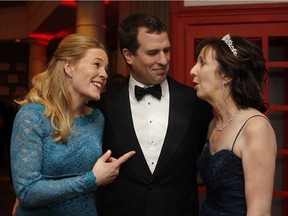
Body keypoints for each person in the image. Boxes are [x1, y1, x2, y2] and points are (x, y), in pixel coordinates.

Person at [96, 13, 212, 216]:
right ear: (128, 55)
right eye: (152, 53)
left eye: (166, 50)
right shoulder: (102, 105)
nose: (163, 60)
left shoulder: (196, 102)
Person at [10, 33, 135, 216]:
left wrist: (106, 168)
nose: (104, 74)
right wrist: (92, 179)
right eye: (96, 64)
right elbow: (27, 192)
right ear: (69, 67)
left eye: (106, 68)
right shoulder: (33, 116)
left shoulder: (97, 118)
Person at [190, 34, 277, 215]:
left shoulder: (255, 127)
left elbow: (259, 212)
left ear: (227, 75)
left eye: (202, 63)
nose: (193, 70)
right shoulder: (213, 124)